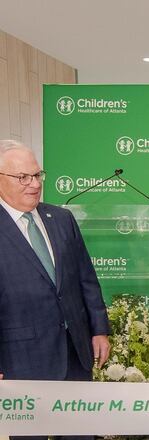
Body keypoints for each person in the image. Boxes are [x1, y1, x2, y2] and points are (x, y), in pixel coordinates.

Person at [0, 140, 111, 440]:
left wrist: (99, 331)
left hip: (76, 355)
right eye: (23, 177)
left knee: (80, 434)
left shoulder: (62, 219)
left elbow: (86, 279)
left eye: (37, 175)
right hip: (21, 362)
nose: (35, 184)